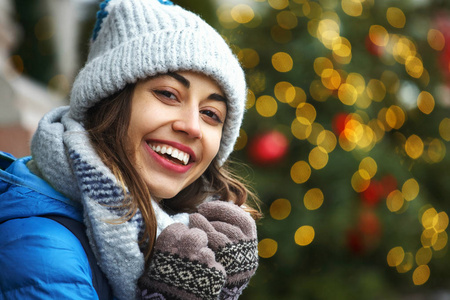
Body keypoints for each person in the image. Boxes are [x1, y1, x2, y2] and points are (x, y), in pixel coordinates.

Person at [0, 0, 261, 299]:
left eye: (211, 114)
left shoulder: (181, 234)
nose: (193, 127)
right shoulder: (42, 249)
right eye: (168, 94)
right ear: (110, 100)